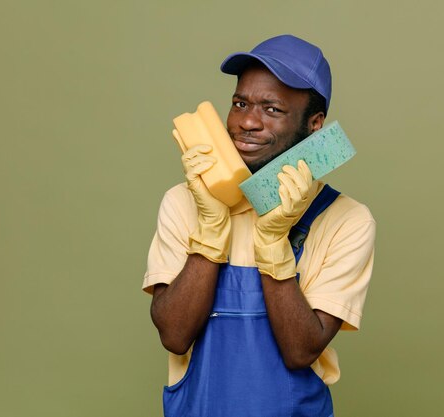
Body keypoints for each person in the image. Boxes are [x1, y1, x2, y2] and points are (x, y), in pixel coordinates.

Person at [143, 34, 376, 417]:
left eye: (272, 109)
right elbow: (175, 335)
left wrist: (272, 242)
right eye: (240, 103)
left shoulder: (346, 220)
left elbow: (301, 350)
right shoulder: (185, 202)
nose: (247, 122)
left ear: (314, 125)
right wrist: (212, 227)